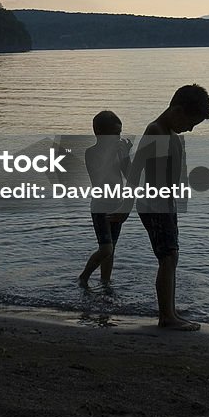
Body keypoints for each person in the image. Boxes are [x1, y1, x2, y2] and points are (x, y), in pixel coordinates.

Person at [129, 84, 209, 331]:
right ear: (177, 111)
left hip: (165, 204)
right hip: (154, 205)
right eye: (191, 122)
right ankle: (166, 316)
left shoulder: (171, 135)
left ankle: (170, 310)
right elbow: (135, 171)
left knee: (171, 256)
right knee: (168, 256)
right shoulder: (155, 131)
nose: (191, 128)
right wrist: (123, 207)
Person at [78, 110, 133, 287]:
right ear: (100, 133)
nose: (118, 137)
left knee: (111, 250)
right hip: (100, 206)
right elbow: (99, 175)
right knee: (106, 248)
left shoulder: (118, 152)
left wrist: (125, 156)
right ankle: (83, 278)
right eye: (115, 133)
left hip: (117, 205)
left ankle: (105, 282)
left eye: (120, 133)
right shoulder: (91, 153)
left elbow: (131, 176)